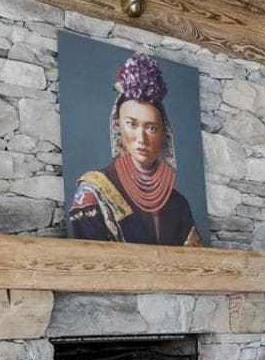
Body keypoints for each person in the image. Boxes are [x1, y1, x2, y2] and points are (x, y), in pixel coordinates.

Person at [68, 52, 203, 246]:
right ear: (118, 127)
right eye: (132, 124)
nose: (142, 138)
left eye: (151, 128)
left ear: (163, 135)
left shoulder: (177, 203)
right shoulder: (93, 191)